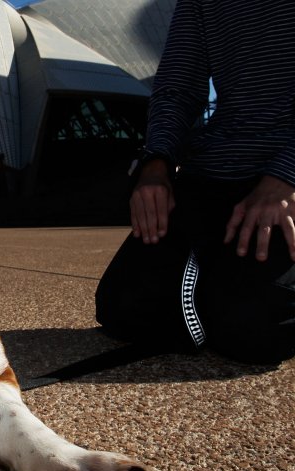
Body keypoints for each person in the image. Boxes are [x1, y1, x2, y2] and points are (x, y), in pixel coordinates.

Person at [95, 0, 295, 365]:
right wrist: (156, 164)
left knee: (253, 330)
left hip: (285, 176)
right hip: (216, 166)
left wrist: (286, 176)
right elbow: (179, 84)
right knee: (123, 308)